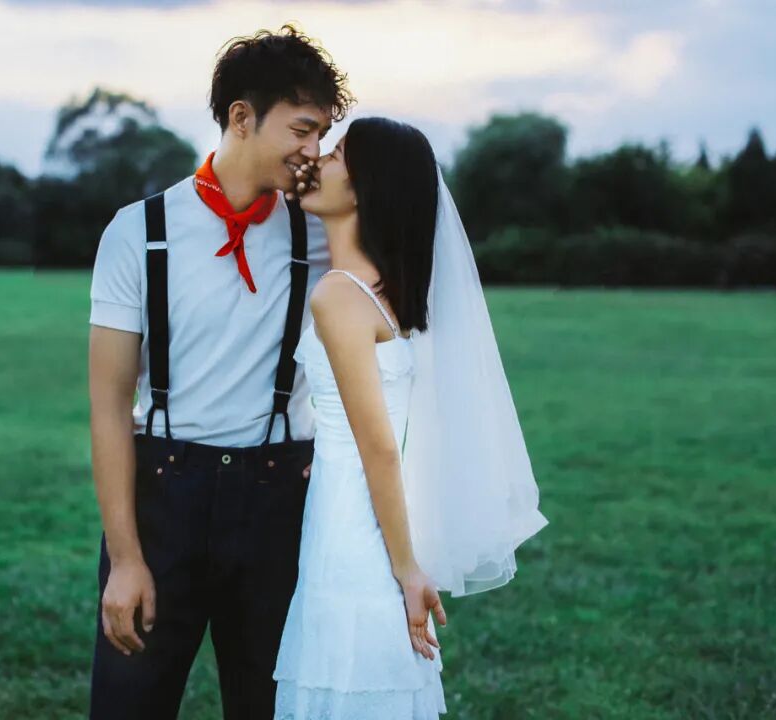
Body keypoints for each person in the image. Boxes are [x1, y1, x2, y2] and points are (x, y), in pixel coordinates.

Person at [86, 25, 356, 720]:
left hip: (279, 503)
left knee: (272, 708)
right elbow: (109, 405)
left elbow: (389, 327)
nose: (312, 151)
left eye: (322, 135)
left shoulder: (321, 234)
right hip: (163, 498)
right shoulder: (138, 231)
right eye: (302, 129)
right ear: (241, 117)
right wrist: (126, 559)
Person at [271, 118, 550, 719]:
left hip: (355, 527)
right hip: (375, 506)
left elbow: (379, 447)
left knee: (348, 680)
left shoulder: (338, 296)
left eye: (337, 155)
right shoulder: (388, 295)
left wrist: (406, 570)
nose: (318, 161)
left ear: (365, 189)